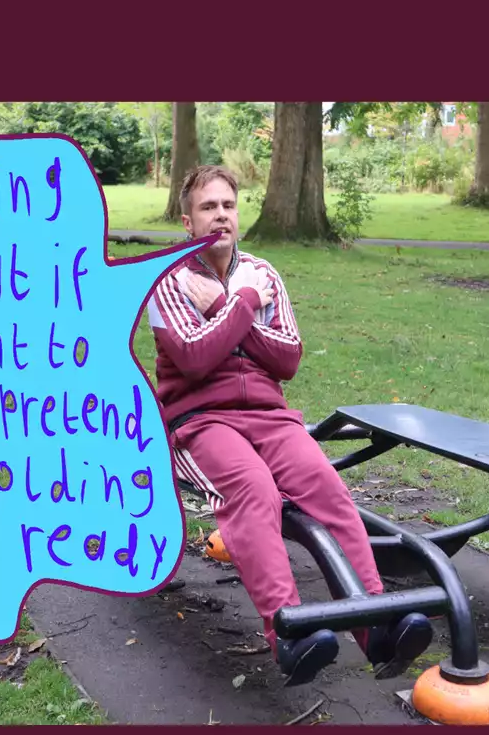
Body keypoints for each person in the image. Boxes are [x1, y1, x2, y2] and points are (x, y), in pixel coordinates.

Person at [145, 165, 434, 686]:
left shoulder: (265, 271)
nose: (220, 216)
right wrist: (245, 306)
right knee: (253, 491)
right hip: (200, 422)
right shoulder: (170, 280)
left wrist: (228, 313)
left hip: (270, 417)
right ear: (188, 221)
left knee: (328, 489)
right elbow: (193, 357)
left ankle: (375, 628)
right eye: (208, 207)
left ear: (240, 213)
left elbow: (287, 359)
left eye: (228, 206)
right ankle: (290, 635)